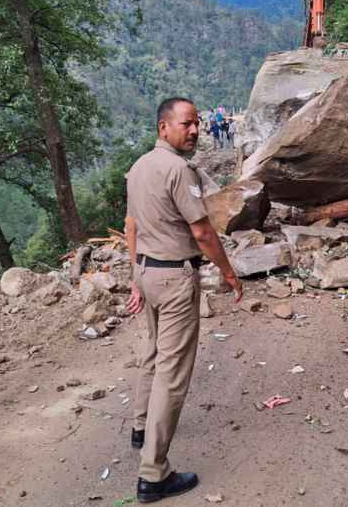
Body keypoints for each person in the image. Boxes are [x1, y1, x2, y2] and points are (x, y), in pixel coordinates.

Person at [125, 97, 243, 503]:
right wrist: (228, 273)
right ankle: (154, 473)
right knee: (172, 373)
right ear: (164, 128)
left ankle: (141, 429)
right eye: (186, 124)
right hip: (174, 276)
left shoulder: (139, 167)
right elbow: (203, 232)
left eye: (197, 124)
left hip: (147, 270)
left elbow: (132, 225)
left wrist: (134, 277)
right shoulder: (178, 170)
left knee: (154, 353)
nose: (194, 131)